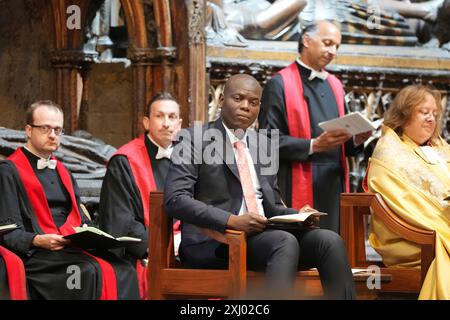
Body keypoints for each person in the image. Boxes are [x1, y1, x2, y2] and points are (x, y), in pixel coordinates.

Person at [164, 74, 356, 299]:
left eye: (253, 102)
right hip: (216, 239)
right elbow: (175, 199)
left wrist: (299, 216)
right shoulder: (193, 138)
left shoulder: (263, 144)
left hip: (263, 236)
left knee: (329, 241)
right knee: (283, 242)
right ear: (221, 101)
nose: (246, 106)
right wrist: (231, 221)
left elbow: (272, 206)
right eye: (238, 98)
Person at [0, 100, 139, 300]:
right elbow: (7, 232)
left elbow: (81, 218)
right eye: (45, 128)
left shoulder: (63, 171)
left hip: (67, 245)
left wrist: (94, 235)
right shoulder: (8, 171)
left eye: (58, 129)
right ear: (29, 130)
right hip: (37, 254)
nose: (53, 135)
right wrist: (38, 240)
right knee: (86, 272)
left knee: (124, 270)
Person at [258, 20, 371, 233]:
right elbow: (267, 142)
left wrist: (356, 138)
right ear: (306, 41)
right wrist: (313, 145)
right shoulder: (279, 84)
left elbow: (342, 140)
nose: (332, 51)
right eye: (327, 43)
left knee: (334, 241)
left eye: (337, 46)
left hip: (333, 183)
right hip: (294, 178)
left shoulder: (335, 85)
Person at [366, 85, 450, 300]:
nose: (431, 119)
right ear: (404, 113)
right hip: (414, 239)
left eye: (434, 114)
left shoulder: (440, 147)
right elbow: (404, 204)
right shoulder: (390, 151)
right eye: (424, 112)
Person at [98, 92, 182, 299]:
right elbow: (120, 220)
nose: (166, 124)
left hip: (186, 247)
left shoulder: (190, 158)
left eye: (172, 117)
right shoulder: (124, 161)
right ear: (146, 122)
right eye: (159, 116)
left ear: (179, 124)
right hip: (143, 251)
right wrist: (164, 246)